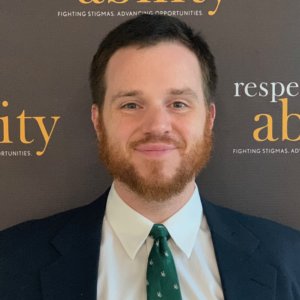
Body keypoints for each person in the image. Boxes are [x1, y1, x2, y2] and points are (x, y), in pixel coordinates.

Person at [1, 15, 300, 300]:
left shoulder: (291, 258)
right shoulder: (11, 262)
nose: (157, 126)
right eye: (131, 105)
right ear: (98, 121)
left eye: (179, 103)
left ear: (209, 118)